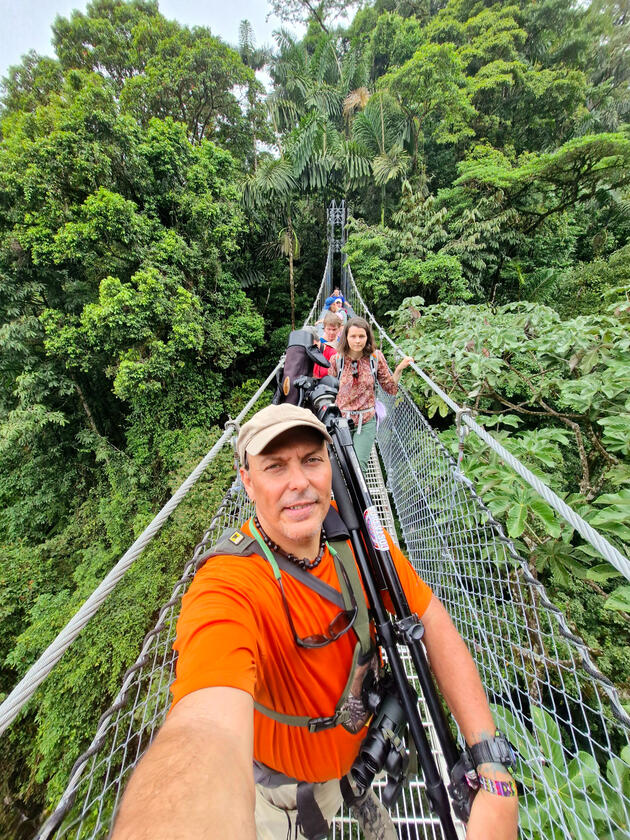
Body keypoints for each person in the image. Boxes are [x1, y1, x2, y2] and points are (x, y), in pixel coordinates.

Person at [111, 404, 518, 840]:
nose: (299, 483)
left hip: (352, 754)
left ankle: (356, 790)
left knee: (347, 785)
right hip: (285, 798)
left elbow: (431, 617)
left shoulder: (358, 544)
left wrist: (489, 764)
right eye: (274, 467)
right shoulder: (228, 585)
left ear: (330, 466)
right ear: (246, 481)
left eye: (311, 460)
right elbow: (202, 729)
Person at [329, 317, 413, 473]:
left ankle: (356, 498)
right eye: (353, 336)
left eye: (362, 336)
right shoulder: (337, 359)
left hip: (366, 421)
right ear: (346, 337)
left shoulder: (375, 357)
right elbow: (329, 390)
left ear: (367, 337)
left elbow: (389, 388)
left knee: (359, 468)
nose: (357, 341)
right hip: (341, 420)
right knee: (342, 467)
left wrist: (399, 369)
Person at [313, 312, 342, 378]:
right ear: (324, 328)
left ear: (339, 328)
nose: (331, 332)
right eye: (328, 329)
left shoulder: (342, 342)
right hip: (321, 377)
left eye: (334, 329)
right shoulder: (319, 343)